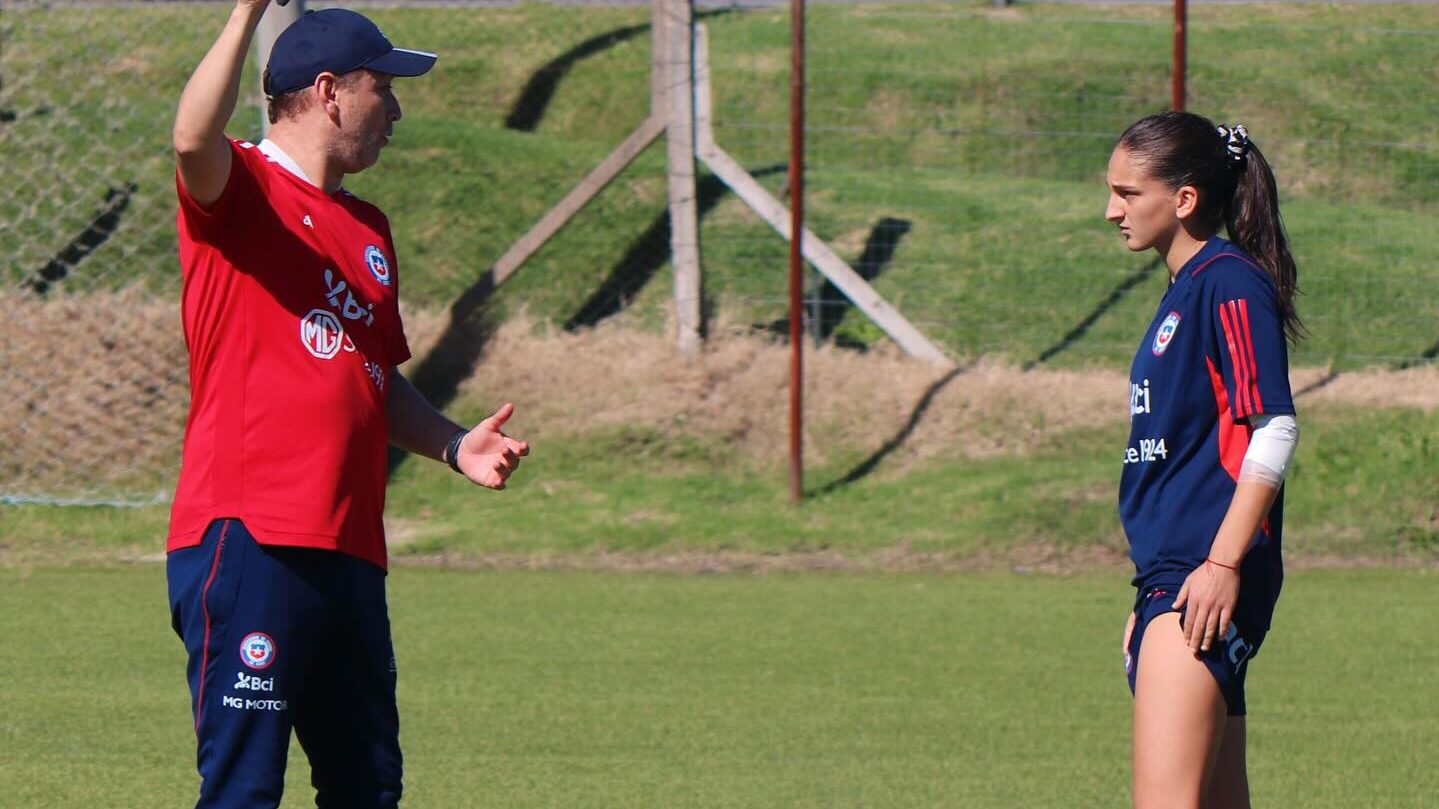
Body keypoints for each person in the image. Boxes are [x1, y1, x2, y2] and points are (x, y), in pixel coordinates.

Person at [166, 3, 529, 806]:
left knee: (368, 788)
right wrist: (243, 13)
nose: (396, 109)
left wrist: (450, 441)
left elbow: (371, 375)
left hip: (351, 551)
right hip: (253, 539)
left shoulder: (368, 227)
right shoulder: (243, 186)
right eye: (384, 88)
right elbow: (191, 140)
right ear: (328, 93)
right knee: (244, 789)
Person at [1105, 111, 1304, 809]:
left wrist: (1218, 566)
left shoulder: (1228, 282)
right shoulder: (1185, 289)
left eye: (1128, 193)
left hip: (1202, 576)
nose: (1111, 210)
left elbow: (1272, 428)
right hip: (1176, 581)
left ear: (1183, 198)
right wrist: (1153, 592)